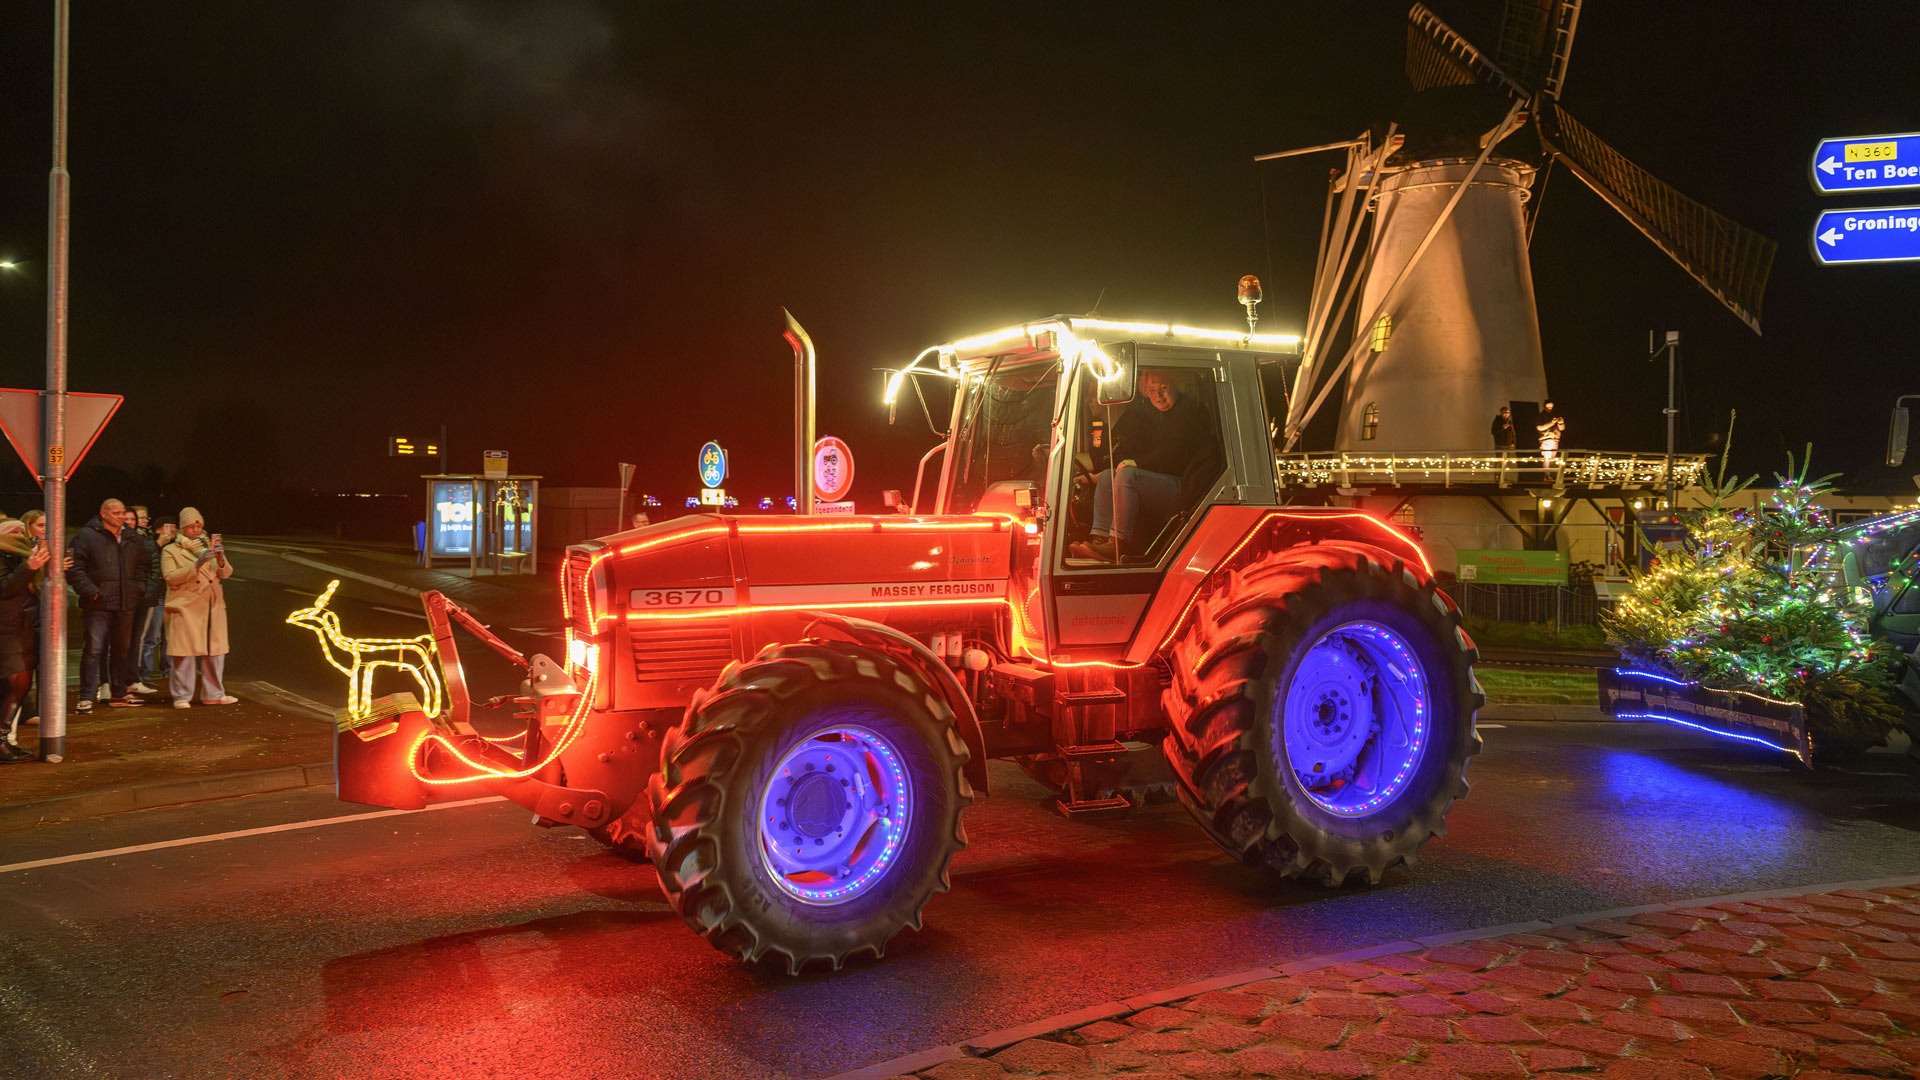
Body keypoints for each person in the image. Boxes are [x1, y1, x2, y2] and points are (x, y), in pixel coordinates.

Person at [1071, 369, 1216, 562]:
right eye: (1152, 390)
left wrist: (1137, 463)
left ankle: (1118, 544)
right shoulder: (1160, 415)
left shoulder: (1189, 412)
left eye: (1163, 388)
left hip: (1186, 486)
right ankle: (1099, 539)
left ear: (1175, 386)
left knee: (1127, 475)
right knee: (1107, 476)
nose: (1158, 396)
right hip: (1164, 480)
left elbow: (1173, 454)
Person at [66, 497, 151, 712]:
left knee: (122, 650)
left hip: (126, 603)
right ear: (103, 514)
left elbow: (143, 566)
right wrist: (93, 592)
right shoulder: (86, 536)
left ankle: (118, 693)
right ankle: (86, 696)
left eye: (123, 513)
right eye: (116, 513)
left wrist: (137, 589)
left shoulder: (133, 538)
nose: (121, 517)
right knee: (93, 649)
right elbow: (74, 568)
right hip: (98, 604)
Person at [162, 507, 237, 708]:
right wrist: (196, 564)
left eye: (199, 526)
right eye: (191, 526)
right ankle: (181, 696)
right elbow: (170, 577)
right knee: (184, 653)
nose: (196, 530)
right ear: (182, 528)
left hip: (212, 605)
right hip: (185, 606)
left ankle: (214, 693)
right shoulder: (171, 550)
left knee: (215, 652)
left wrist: (220, 559)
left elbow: (225, 573)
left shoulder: (208, 547)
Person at [0, 515, 50, 763]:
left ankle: (6, 740)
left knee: (19, 686)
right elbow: (4, 588)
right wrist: (28, 567)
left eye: (22, 532)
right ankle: (1, 742)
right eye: (14, 532)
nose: (19, 536)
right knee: (13, 686)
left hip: (23, 626)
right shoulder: (10, 559)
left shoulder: (21, 556)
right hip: (7, 630)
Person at [128, 505, 164, 695]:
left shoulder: (146, 540)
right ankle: (118, 680)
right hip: (126, 598)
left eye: (143, 518)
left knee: (142, 639)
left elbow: (153, 569)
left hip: (144, 597)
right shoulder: (129, 540)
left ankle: (136, 676)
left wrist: (146, 592)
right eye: (138, 517)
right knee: (124, 641)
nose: (141, 521)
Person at [140, 515, 177, 684]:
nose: (172, 530)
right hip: (157, 596)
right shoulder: (152, 545)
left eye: (174, 527)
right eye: (168, 526)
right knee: (152, 638)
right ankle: (146, 674)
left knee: (169, 639)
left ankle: (168, 672)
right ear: (157, 530)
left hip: (172, 595)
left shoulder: (176, 547)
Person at [1536, 400, 1566, 465]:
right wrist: (1551, 423)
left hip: (1555, 439)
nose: (1550, 408)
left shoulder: (1556, 415)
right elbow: (1540, 428)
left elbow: (1562, 429)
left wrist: (1561, 423)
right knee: (1547, 458)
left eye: (1551, 407)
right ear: (1545, 406)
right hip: (1546, 439)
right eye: (1548, 407)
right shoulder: (1541, 416)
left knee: (1553, 458)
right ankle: (1547, 471)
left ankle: (1551, 470)